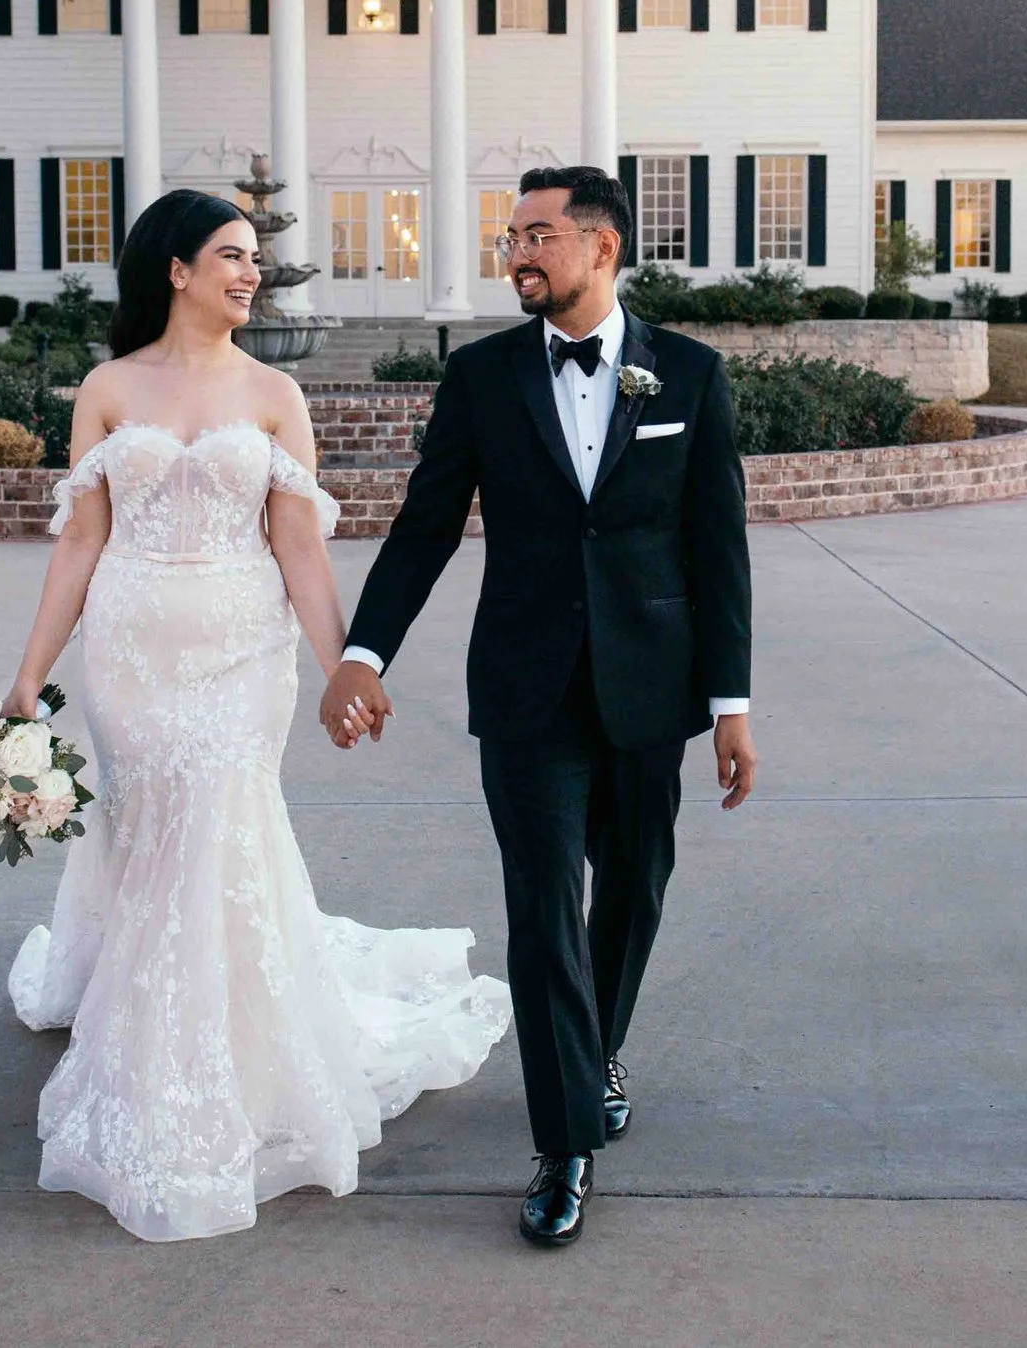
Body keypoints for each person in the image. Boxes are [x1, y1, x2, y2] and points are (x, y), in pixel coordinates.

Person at [0, 187, 511, 1243]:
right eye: (228, 257)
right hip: (134, 653)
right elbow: (80, 545)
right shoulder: (105, 386)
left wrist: (342, 669)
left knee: (214, 830)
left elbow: (297, 549)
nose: (249, 274)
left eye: (253, 260)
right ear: (174, 269)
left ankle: (218, 1064)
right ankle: (154, 1037)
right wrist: (25, 678)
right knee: (155, 840)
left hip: (243, 654)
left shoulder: (277, 392)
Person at [318, 164, 756, 1247]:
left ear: (601, 248)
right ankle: (564, 1143)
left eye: (538, 234)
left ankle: (595, 1049)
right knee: (542, 907)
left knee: (633, 892)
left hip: (649, 689)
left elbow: (718, 549)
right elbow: (424, 527)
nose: (516, 251)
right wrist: (363, 652)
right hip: (522, 692)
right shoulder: (481, 377)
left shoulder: (689, 376)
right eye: (511, 234)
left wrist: (732, 704)